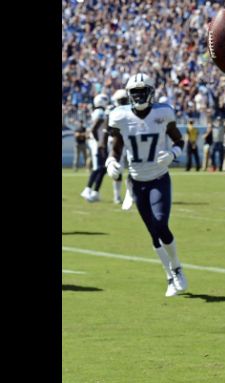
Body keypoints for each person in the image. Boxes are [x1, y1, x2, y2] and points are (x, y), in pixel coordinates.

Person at [105, 73, 189, 297]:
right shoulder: (120, 116)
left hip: (159, 177)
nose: (139, 96)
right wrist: (111, 161)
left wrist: (173, 153)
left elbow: (180, 140)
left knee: (161, 224)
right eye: (135, 92)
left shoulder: (163, 112)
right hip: (136, 181)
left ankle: (177, 268)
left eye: (143, 91)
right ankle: (169, 277)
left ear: (151, 93)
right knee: (153, 233)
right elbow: (116, 145)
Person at [80, 94, 110, 202]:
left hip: (98, 143)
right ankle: (87, 190)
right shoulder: (101, 113)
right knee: (98, 168)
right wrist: (99, 142)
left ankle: (95, 192)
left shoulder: (96, 112)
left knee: (102, 168)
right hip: (98, 144)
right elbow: (93, 129)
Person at [109, 89, 130, 204]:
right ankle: (120, 196)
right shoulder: (115, 112)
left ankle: (120, 196)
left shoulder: (115, 112)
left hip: (124, 141)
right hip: (122, 142)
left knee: (121, 169)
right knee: (120, 168)